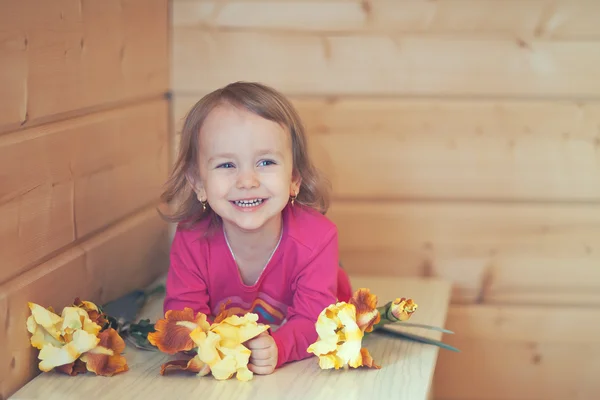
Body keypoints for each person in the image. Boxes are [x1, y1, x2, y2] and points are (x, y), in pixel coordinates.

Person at [159, 81, 353, 375]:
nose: (247, 181)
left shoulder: (318, 238)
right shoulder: (192, 238)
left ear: (294, 179)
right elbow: (183, 318)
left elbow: (316, 321)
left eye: (265, 161)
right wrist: (218, 346)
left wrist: (279, 346)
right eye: (226, 165)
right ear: (198, 183)